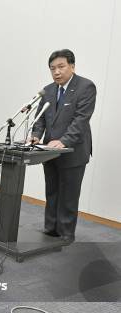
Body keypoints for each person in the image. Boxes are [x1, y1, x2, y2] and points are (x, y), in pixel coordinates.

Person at [31, 49, 97, 243]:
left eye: (61, 67)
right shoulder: (48, 90)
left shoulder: (86, 87)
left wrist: (65, 140)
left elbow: (81, 120)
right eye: (52, 68)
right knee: (52, 191)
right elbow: (40, 118)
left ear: (72, 66)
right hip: (49, 151)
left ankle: (66, 233)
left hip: (73, 150)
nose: (56, 72)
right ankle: (51, 228)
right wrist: (36, 136)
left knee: (68, 194)